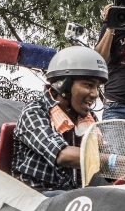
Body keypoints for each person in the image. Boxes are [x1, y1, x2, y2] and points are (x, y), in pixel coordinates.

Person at [12, 46, 108, 193]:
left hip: (70, 197)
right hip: (36, 196)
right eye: (89, 85)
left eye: (97, 87)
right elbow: (62, 155)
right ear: (63, 85)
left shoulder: (87, 117)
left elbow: (104, 151)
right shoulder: (36, 112)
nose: (95, 94)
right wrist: (117, 161)